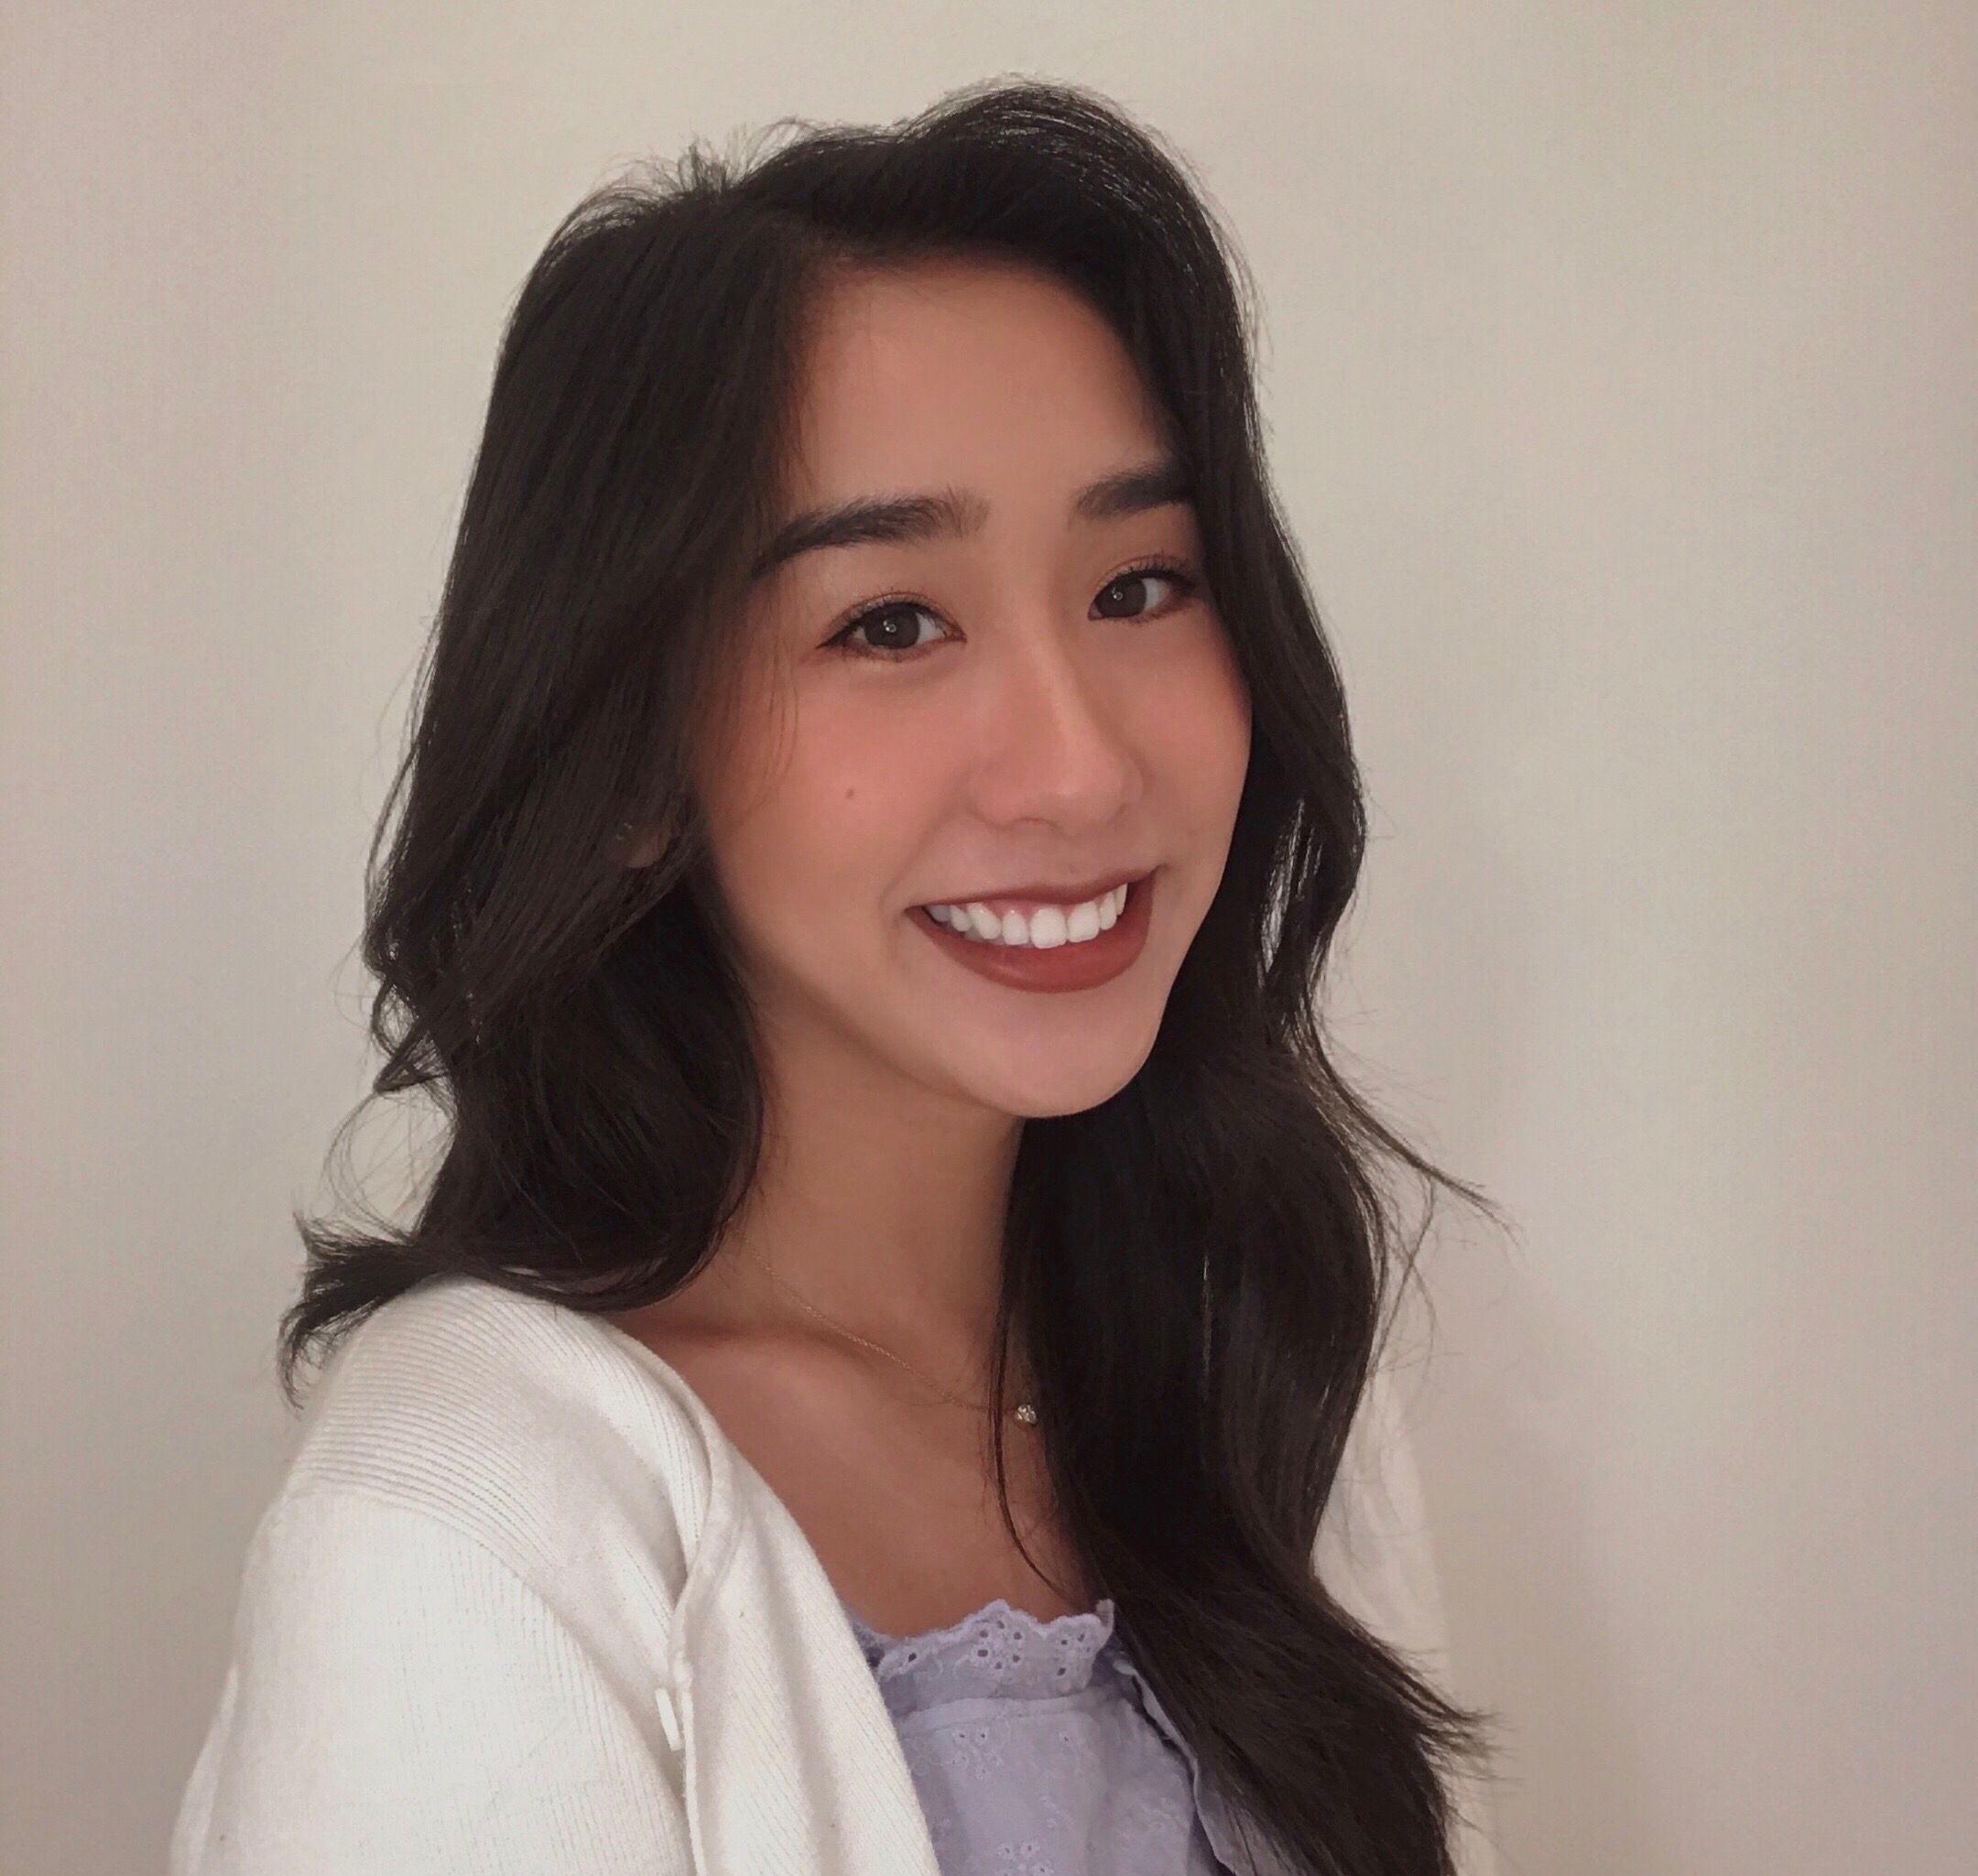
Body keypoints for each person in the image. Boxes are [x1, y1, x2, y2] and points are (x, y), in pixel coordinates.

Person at [170, 77, 1506, 1876]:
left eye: (1140, 584)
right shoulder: (463, 1520)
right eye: (891, 621)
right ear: (631, 759)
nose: (1078, 767)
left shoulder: (1255, 1362)